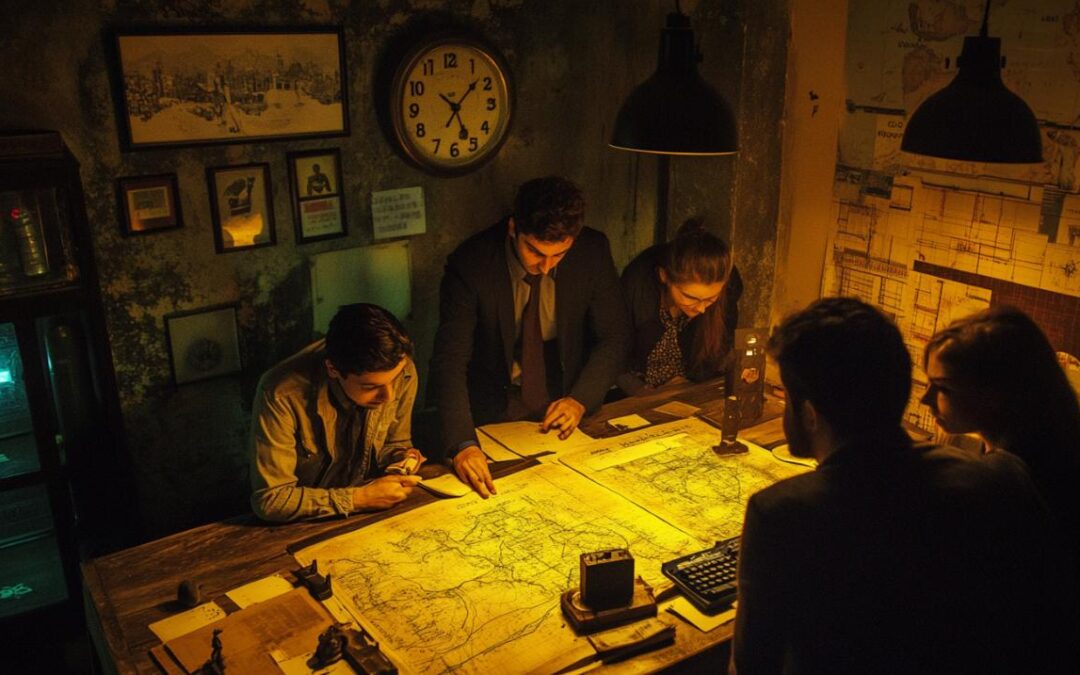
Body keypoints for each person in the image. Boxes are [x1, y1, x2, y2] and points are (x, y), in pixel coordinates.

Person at [730, 297, 1074, 674]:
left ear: (810, 414)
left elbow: (752, 665)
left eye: (787, 398)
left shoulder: (778, 514)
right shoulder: (1000, 479)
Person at [431, 176, 629, 497]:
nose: (546, 266)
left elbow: (615, 335)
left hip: (565, 394)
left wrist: (580, 399)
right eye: (536, 252)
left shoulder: (592, 250)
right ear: (514, 228)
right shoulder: (472, 263)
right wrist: (463, 443)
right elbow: (449, 360)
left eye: (559, 254)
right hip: (495, 403)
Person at [922, 305, 1080, 575]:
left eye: (944, 388)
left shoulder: (1008, 485)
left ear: (996, 393)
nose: (925, 398)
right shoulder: (1053, 449)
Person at [250, 303, 424, 522]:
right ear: (333, 369)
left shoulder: (400, 368)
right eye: (370, 387)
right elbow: (272, 499)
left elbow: (394, 442)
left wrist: (401, 459)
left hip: (370, 514)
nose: (389, 396)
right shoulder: (281, 393)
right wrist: (359, 498)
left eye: (394, 381)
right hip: (303, 522)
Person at [617, 218, 742, 395]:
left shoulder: (726, 294)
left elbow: (719, 353)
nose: (701, 309)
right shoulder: (638, 287)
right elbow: (613, 352)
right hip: (641, 391)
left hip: (694, 390)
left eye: (710, 299)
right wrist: (643, 392)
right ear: (664, 276)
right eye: (690, 297)